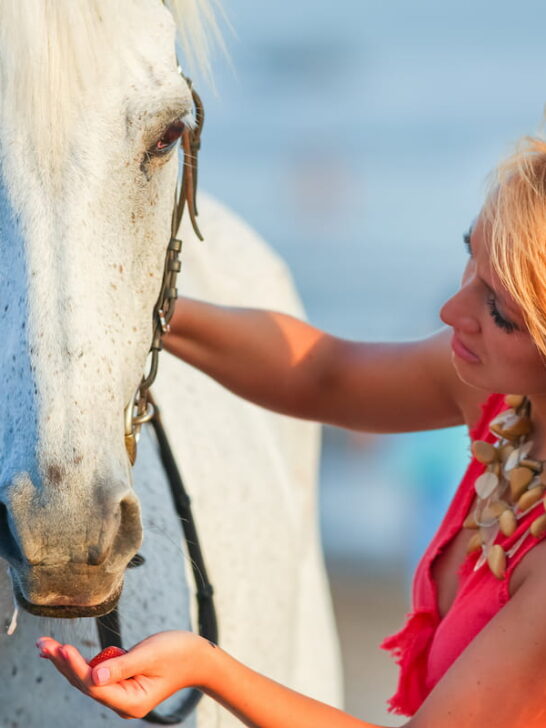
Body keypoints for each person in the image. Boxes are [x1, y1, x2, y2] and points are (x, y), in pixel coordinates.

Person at [37, 136, 546, 727]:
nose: (452, 311)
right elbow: (326, 376)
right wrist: (140, 307)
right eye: (470, 255)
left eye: (500, 311)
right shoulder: (507, 401)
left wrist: (209, 667)